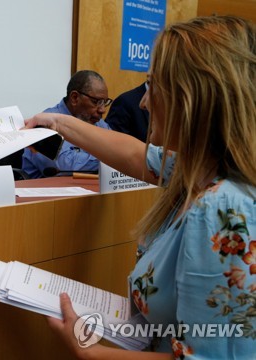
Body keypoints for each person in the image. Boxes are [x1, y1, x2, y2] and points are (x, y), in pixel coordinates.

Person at [24, 15, 255, 359]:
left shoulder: (220, 209)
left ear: (191, 98)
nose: (144, 103)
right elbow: (135, 154)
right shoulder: (203, 170)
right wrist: (57, 121)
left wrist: (89, 351)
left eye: (153, 85)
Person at [21, 70, 112, 178]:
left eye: (105, 102)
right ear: (74, 98)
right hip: (48, 191)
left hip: (89, 191)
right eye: (96, 102)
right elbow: (65, 166)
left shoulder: (98, 123)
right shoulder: (44, 122)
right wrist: (111, 158)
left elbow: (114, 147)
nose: (102, 110)